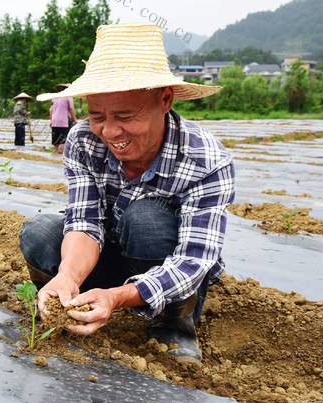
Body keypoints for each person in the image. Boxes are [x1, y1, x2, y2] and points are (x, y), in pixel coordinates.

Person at [18, 23, 234, 365]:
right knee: (40, 233)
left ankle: (172, 328)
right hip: (113, 253)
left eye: (124, 116)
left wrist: (117, 297)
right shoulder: (83, 139)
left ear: (165, 99)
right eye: (97, 115)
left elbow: (194, 259)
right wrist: (68, 276)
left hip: (167, 269)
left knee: (145, 216)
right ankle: (69, 303)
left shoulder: (206, 160)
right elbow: (85, 222)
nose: (109, 131)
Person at [49, 87, 76, 154]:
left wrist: (51, 120)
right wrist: (75, 120)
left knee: (55, 137)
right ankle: (62, 152)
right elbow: (72, 109)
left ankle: (55, 152)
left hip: (54, 121)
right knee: (63, 137)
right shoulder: (68, 97)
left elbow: (51, 110)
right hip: (63, 121)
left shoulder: (55, 97)